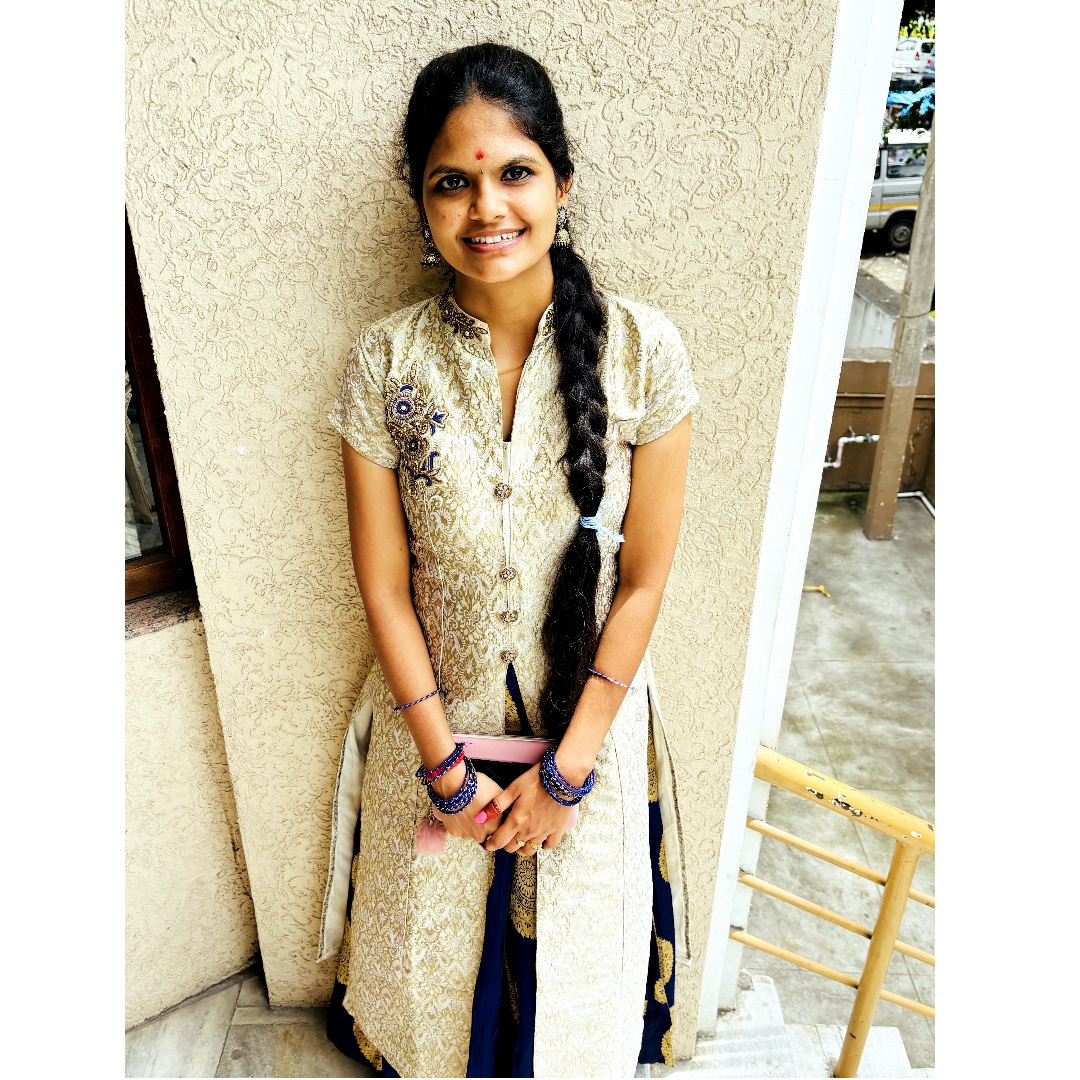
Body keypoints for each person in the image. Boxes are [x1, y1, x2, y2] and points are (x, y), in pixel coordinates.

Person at [320, 42, 698, 1078]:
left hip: (592, 734)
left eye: (515, 172)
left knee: (576, 991)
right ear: (422, 202)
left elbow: (644, 581)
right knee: (430, 982)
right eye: (453, 181)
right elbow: (384, 588)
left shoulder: (641, 353)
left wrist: (568, 776)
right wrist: (445, 772)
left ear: (562, 184)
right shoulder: (386, 362)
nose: (486, 207)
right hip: (433, 732)